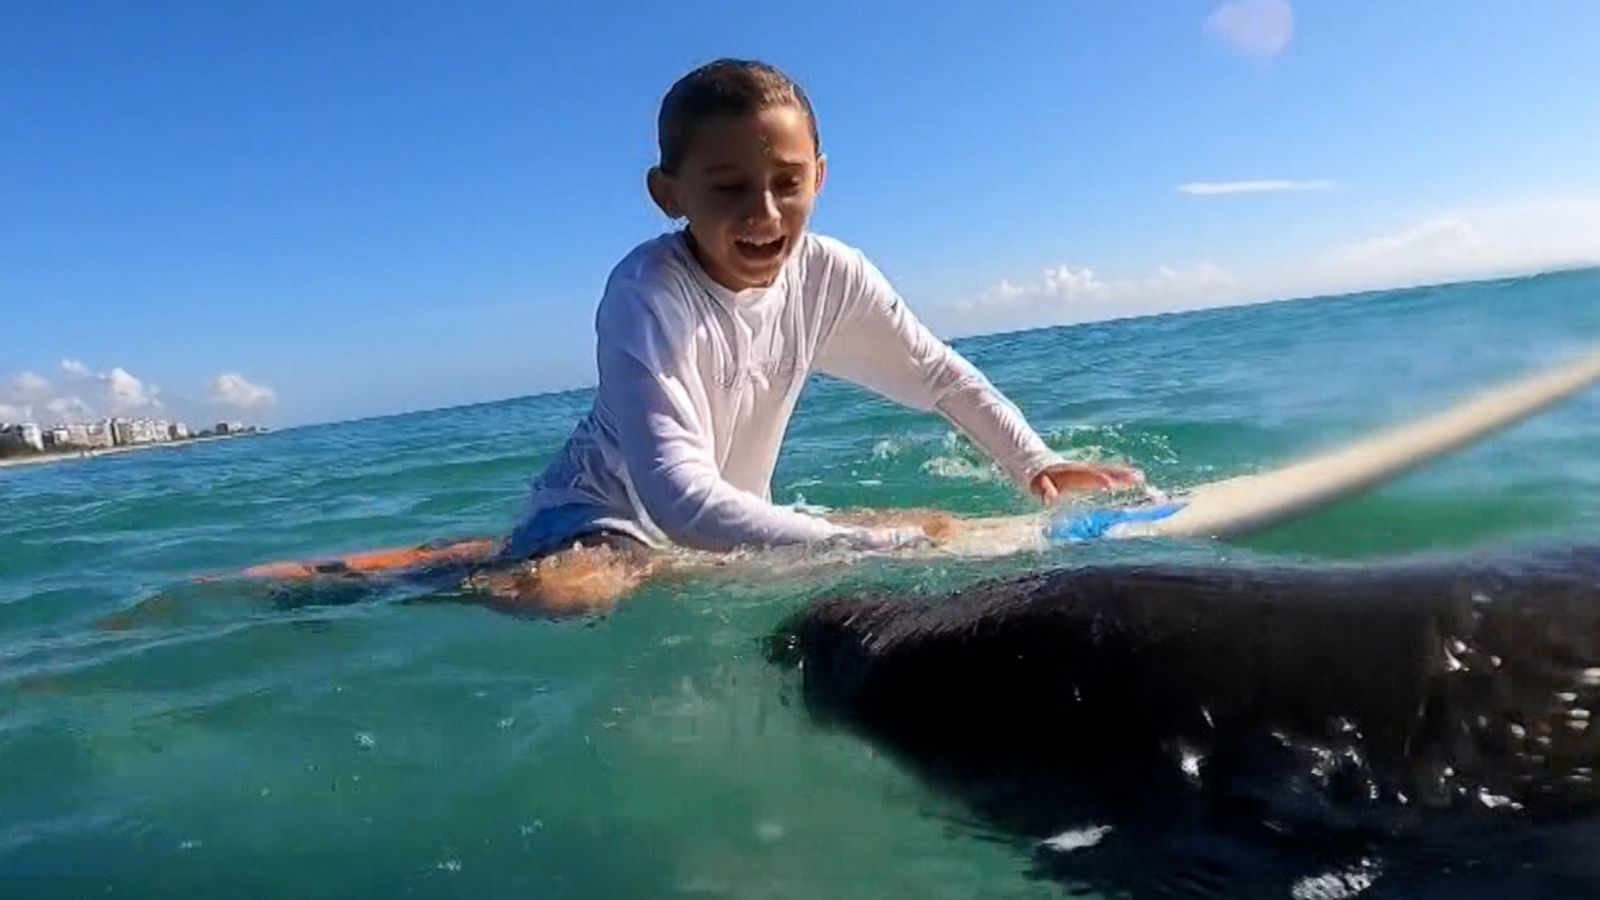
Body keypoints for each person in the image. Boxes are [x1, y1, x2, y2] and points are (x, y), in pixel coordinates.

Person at [502, 58, 1142, 579]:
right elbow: (677, 496)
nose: (766, 214)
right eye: (730, 187)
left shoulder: (830, 275)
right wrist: (875, 547)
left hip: (714, 523)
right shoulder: (647, 293)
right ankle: (432, 579)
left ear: (821, 176)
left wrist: (1034, 461)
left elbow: (937, 376)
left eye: (788, 182)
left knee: (922, 523)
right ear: (668, 193)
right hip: (598, 520)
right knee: (590, 591)